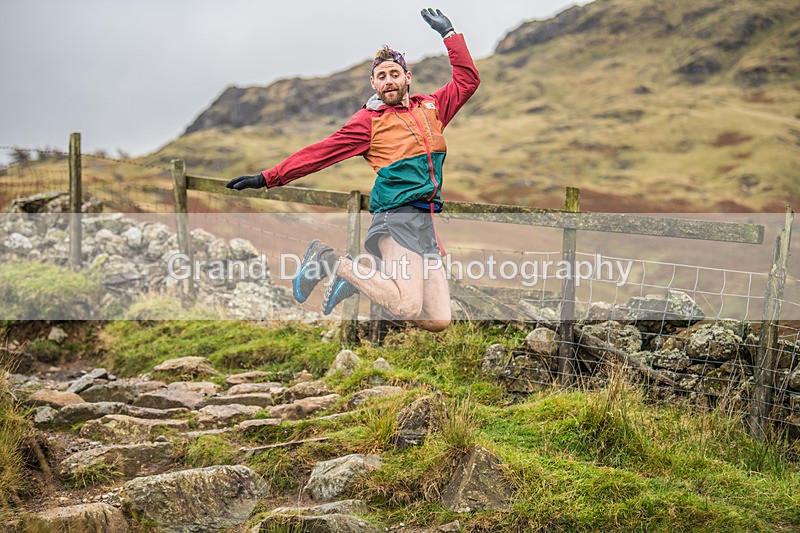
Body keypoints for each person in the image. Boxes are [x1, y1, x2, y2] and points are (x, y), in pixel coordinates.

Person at [227, 8, 480, 332]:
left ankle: (359, 278)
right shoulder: (368, 123)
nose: (389, 81)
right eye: (382, 76)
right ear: (373, 83)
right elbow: (320, 152)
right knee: (406, 304)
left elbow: (468, 80)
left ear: (407, 77)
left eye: (394, 74)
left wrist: (450, 35)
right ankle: (330, 260)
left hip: (425, 222)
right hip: (397, 216)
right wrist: (268, 177)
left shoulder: (431, 107)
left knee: (438, 319)